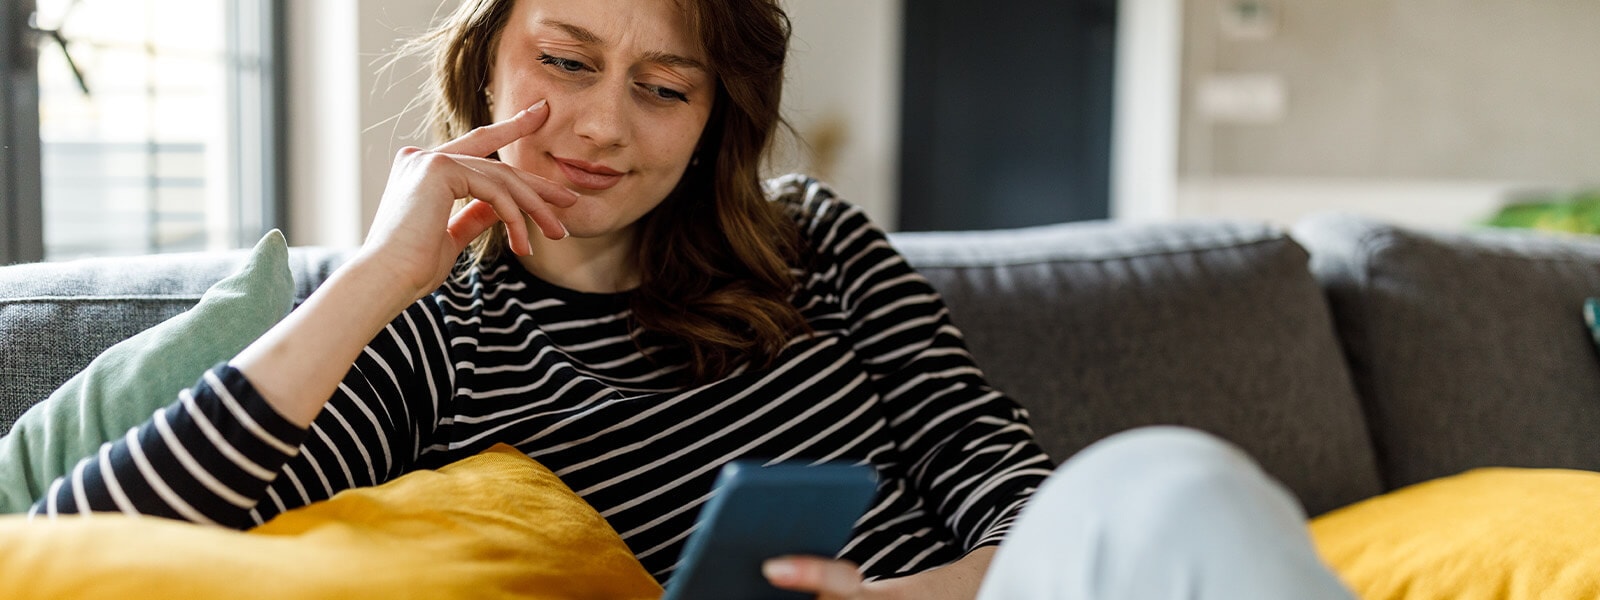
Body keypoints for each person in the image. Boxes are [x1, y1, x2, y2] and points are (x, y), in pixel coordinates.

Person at [26, 0, 1355, 598]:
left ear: (718, 112)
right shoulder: (428, 339)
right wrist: (374, 277)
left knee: (1172, 480)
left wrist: (935, 595)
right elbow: (84, 543)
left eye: (664, 87)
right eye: (566, 61)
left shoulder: (813, 243)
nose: (603, 127)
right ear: (486, 60)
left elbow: (1000, 474)